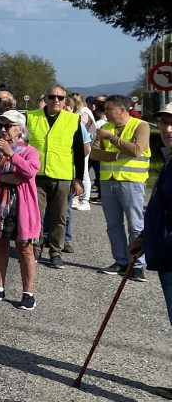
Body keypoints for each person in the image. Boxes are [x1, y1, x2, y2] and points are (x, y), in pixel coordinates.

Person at [128, 101, 172, 397]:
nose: (168, 129)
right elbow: (161, 206)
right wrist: (145, 237)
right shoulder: (170, 159)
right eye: (164, 122)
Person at [0, 109, 40, 310]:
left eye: (8, 126)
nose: (3, 130)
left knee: (25, 248)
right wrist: (2, 178)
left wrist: (12, 154)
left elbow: (29, 172)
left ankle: (28, 293)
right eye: (0, 126)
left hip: (21, 206)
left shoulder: (30, 151)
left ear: (20, 130)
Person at [92, 94, 151, 282]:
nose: (105, 113)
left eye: (108, 109)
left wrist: (112, 139)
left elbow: (136, 150)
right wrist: (117, 156)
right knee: (113, 225)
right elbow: (94, 152)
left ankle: (137, 265)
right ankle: (120, 261)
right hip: (108, 181)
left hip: (131, 181)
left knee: (135, 225)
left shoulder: (140, 126)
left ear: (122, 110)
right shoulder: (105, 127)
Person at [27, 84, 85, 268]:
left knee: (59, 217)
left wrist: (78, 179)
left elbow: (79, 152)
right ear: (45, 98)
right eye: (52, 97)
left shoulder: (72, 120)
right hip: (36, 176)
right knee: (35, 215)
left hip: (62, 176)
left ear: (65, 100)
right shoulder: (31, 117)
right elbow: (22, 145)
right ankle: (35, 248)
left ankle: (56, 252)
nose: (56, 100)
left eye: (60, 97)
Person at [70, 93, 97, 210]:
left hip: (84, 145)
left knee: (84, 172)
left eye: (69, 102)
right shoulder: (78, 113)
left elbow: (79, 128)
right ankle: (76, 197)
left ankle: (85, 199)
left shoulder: (84, 113)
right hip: (79, 145)